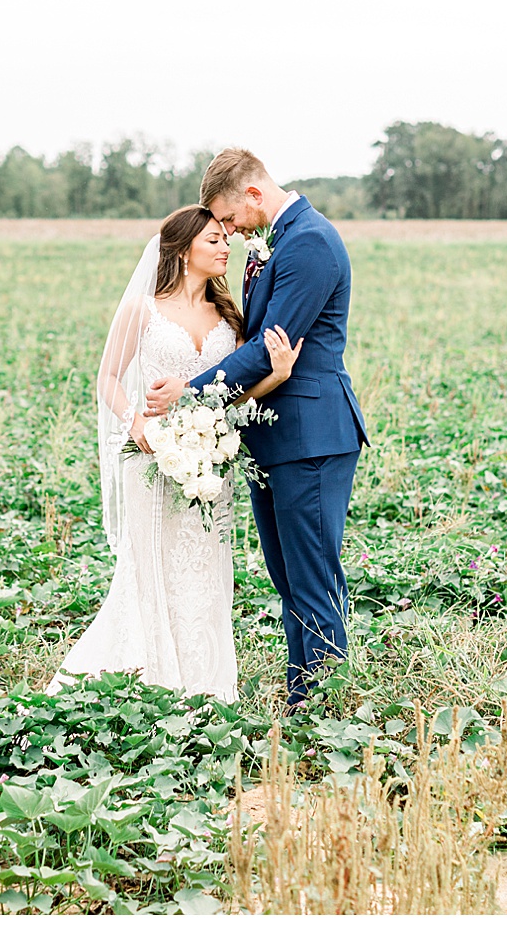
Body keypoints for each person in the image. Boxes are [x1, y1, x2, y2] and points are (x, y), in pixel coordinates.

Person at [48, 204, 301, 702]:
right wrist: (136, 421)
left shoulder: (230, 316)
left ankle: (204, 685)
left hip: (209, 463)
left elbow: (238, 390)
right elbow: (108, 379)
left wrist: (278, 375)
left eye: (224, 240)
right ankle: (149, 677)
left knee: (204, 573)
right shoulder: (143, 309)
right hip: (152, 459)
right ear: (183, 251)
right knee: (152, 571)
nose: (225, 247)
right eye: (213, 240)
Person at [146, 148, 368, 709]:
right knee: (289, 579)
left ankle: (321, 710)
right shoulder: (278, 240)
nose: (227, 230)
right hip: (272, 433)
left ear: (252, 195)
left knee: (313, 580)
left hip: (311, 435)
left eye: (227, 218)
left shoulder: (309, 242)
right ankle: (304, 695)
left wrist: (190, 392)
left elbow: (270, 347)